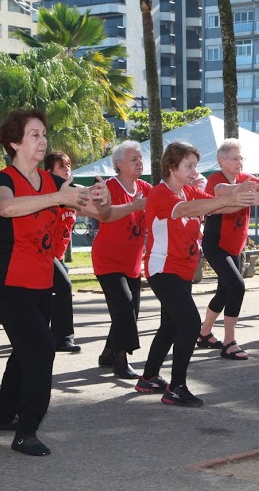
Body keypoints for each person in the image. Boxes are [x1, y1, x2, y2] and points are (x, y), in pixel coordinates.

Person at [0, 109, 105, 456]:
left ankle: (3, 415)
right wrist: (59, 198)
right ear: (14, 142)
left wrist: (101, 199)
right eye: (34, 135)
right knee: (40, 349)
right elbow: (7, 209)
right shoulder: (3, 179)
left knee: (24, 351)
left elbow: (99, 210)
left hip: (40, 279)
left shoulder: (53, 182)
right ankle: (26, 432)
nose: (42, 141)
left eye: (43, 134)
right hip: (8, 280)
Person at [137, 141, 259, 407]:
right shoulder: (161, 194)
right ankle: (176, 387)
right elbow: (186, 210)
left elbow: (220, 206)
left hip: (182, 271)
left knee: (170, 325)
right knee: (190, 324)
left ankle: (148, 377)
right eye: (189, 166)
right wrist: (230, 198)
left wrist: (241, 198)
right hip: (163, 269)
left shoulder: (188, 191)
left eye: (196, 165)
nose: (195, 171)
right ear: (171, 167)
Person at [197, 139, 259, 360]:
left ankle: (204, 333)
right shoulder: (216, 180)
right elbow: (222, 191)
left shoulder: (245, 178)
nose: (239, 162)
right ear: (221, 161)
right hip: (216, 243)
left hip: (236, 245)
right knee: (237, 286)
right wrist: (245, 192)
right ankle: (229, 342)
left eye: (241, 157)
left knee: (225, 291)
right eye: (235, 158)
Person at [91, 141, 152, 379]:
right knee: (125, 305)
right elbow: (104, 216)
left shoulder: (146, 188)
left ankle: (107, 353)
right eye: (133, 159)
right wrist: (134, 205)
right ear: (118, 165)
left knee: (128, 311)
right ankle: (120, 360)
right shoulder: (108, 188)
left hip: (132, 262)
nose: (140, 162)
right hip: (108, 260)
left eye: (140, 158)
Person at [43, 151, 85, 354]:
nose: (67, 169)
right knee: (64, 287)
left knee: (48, 296)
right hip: (43, 253)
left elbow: (95, 208)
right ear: (49, 172)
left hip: (57, 256)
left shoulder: (73, 192)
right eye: (61, 166)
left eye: (68, 165)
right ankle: (64, 339)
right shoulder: (47, 193)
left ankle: (43, 335)